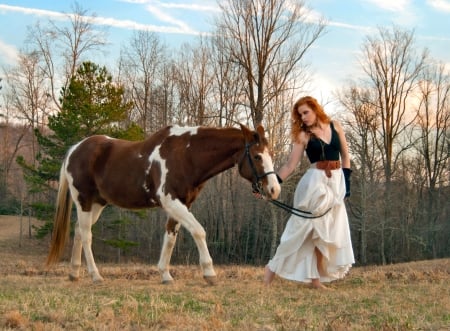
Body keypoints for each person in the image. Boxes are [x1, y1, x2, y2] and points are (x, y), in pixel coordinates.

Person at [264, 96, 354, 289]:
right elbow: (290, 165)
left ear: (315, 109)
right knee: (300, 230)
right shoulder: (303, 136)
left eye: (306, 112)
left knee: (326, 233)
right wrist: (271, 185)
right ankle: (270, 270)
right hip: (314, 185)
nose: (303, 118)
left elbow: (346, 156)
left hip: (336, 182)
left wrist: (346, 184)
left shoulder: (335, 126)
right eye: (300, 115)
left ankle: (315, 280)